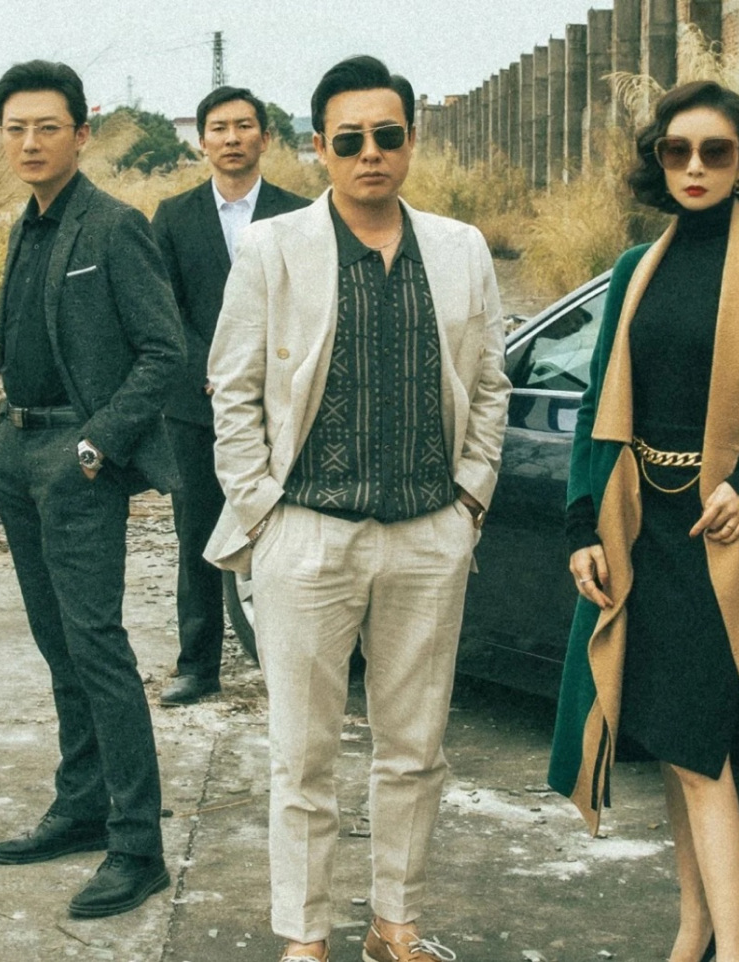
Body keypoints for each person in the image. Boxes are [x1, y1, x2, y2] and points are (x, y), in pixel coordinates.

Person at [204, 55, 511, 962]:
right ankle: (306, 937)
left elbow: (490, 383)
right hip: (308, 533)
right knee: (302, 755)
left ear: (411, 140)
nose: (369, 153)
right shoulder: (274, 248)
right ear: (319, 148)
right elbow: (233, 390)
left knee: (414, 749)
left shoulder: (461, 248)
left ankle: (394, 925)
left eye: (386, 135)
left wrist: (469, 498)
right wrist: (263, 512)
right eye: (349, 140)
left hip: (427, 532)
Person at [547, 81, 739, 962]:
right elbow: (598, 406)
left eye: (714, 151)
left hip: (733, 538)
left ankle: (731, 952)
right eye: (676, 150)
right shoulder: (635, 267)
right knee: (676, 749)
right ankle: (693, 931)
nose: (694, 167)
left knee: (699, 750)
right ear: (659, 159)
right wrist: (581, 526)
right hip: (646, 534)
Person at [0, 60, 185, 919]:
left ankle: (137, 846)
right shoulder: (26, 225)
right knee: (57, 644)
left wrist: (97, 442)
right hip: (17, 450)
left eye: (47, 127)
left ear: (81, 133)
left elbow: (164, 351)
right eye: (16, 128)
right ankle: (81, 806)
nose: (30, 142)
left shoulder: (113, 225)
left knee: (97, 647)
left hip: (76, 456)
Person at [152, 86, 310, 707]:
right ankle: (198, 666)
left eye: (244, 126)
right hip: (195, 406)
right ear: (202, 141)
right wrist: (215, 373)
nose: (232, 138)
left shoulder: (300, 214)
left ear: (265, 137)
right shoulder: (173, 216)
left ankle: (290, 661)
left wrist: (261, 377)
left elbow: (307, 307)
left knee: (284, 532)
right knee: (196, 533)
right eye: (219, 128)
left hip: (279, 405)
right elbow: (162, 309)